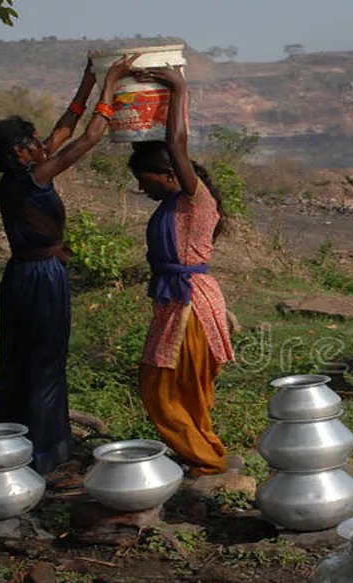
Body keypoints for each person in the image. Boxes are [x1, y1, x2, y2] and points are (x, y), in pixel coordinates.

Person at [0, 53, 138, 475]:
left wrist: (88, 81)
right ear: (19, 151)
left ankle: (15, 442)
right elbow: (88, 138)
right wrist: (113, 85)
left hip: (21, 276)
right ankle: (45, 454)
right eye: (33, 140)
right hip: (42, 280)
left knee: (19, 360)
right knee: (46, 362)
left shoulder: (23, 176)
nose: (42, 144)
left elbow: (66, 127)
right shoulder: (33, 179)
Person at [127, 65, 235, 477]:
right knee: (182, 387)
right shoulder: (169, 206)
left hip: (191, 303)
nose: (143, 188)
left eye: (146, 180)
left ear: (172, 174)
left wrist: (177, 89)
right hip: (176, 300)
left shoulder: (195, 200)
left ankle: (206, 459)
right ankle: (203, 451)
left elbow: (176, 143)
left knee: (166, 385)